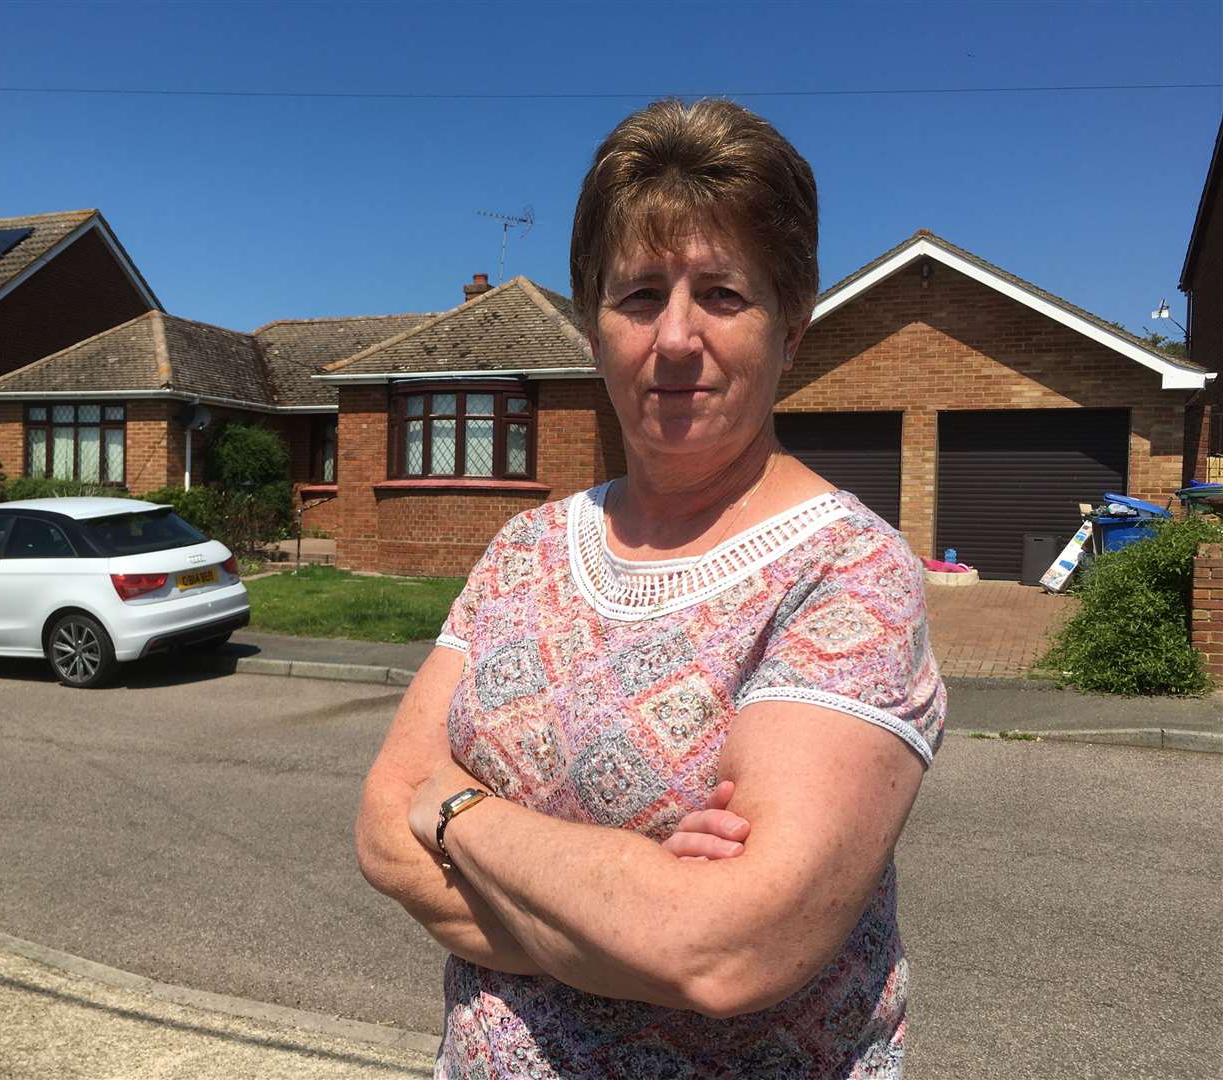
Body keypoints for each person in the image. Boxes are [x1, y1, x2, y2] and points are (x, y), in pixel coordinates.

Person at [357, 97, 944, 1079]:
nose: (674, 337)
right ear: (594, 330)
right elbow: (382, 822)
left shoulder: (851, 572)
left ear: (789, 329)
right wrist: (642, 905)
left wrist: (459, 811)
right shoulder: (523, 552)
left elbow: (729, 947)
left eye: (721, 293)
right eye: (638, 297)